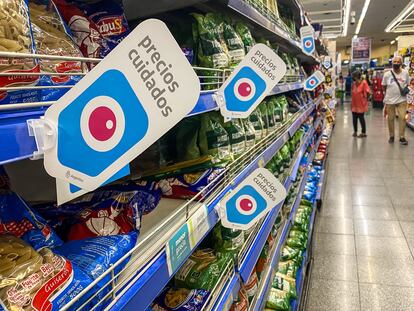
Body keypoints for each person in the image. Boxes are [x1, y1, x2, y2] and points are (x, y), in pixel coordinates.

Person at [382, 55, 411, 145]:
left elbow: (408, 84)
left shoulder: (405, 73)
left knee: (402, 118)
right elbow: (384, 86)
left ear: (401, 63)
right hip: (390, 100)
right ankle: (391, 136)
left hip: (402, 99)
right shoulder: (387, 74)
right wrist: (387, 95)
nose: (396, 64)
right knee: (390, 118)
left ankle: (402, 137)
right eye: (394, 62)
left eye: (398, 62)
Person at [351, 71, 371, 138]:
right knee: (354, 118)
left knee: (361, 118)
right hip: (354, 104)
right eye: (354, 78)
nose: (355, 80)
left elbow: (368, 92)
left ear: (358, 77)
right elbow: (353, 91)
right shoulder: (354, 84)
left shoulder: (364, 83)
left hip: (361, 104)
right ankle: (355, 131)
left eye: (355, 78)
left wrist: (366, 99)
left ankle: (363, 132)